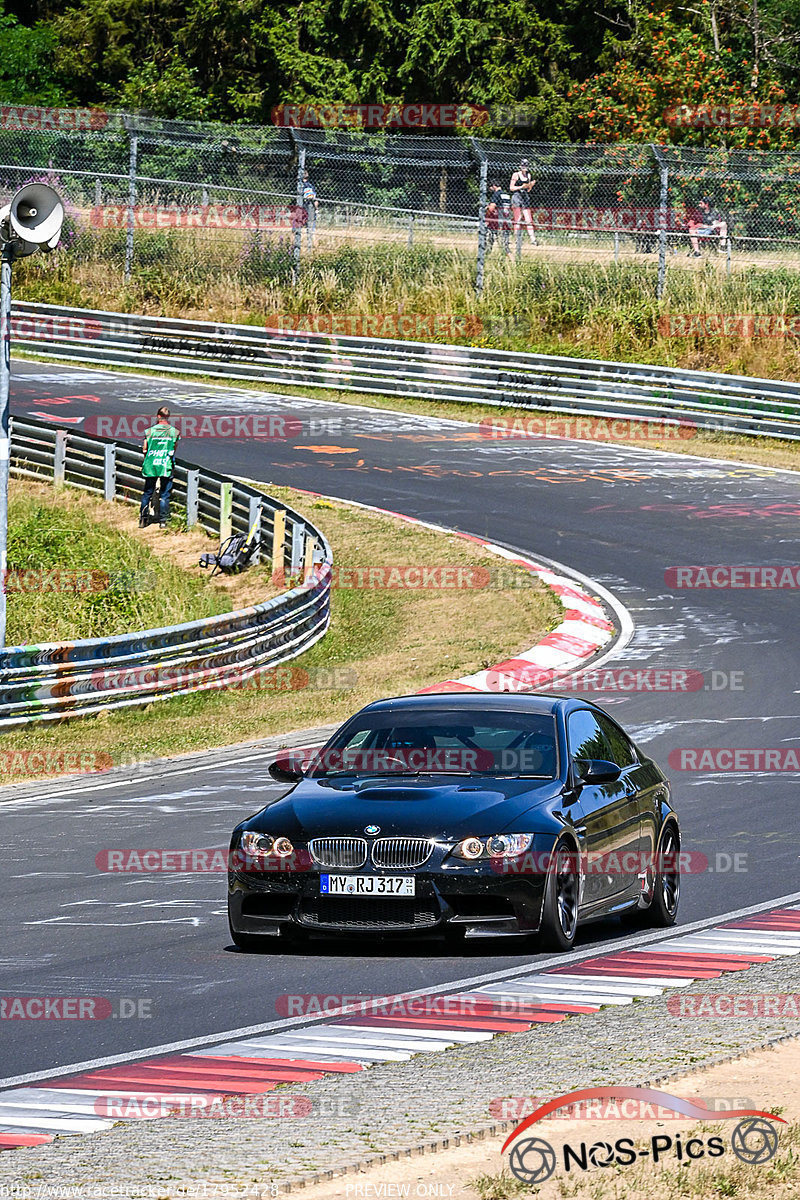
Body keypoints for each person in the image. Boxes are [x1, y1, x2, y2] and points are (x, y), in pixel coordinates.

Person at [140, 406, 179, 529]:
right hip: (165, 465)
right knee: (165, 495)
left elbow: (144, 449)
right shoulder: (174, 432)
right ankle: (163, 521)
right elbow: (174, 448)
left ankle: (143, 519)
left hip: (151, 465)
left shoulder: (149, 431)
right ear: (168, 417)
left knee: (147, 493)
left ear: (158, 416)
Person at [510, 158, 537, 245]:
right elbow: (511, 188)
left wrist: (530, 185)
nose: (524, 167)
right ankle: (517, 239)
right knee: (517, 219)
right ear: (520, 166)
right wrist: (521, 187)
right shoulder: (516, 175)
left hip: (525, 197)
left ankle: (533, 240)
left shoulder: (528, 175)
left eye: (526, 165)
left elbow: (528, 189)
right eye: (523, 165)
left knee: (528, 220)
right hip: (517, 197)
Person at [302, 169, 318, 248]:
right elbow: (315, 200)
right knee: (310, 226)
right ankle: (310, 243)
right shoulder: (311, 186)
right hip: (310, 207)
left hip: (303, 207)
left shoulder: (300, 185)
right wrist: (316, 209)